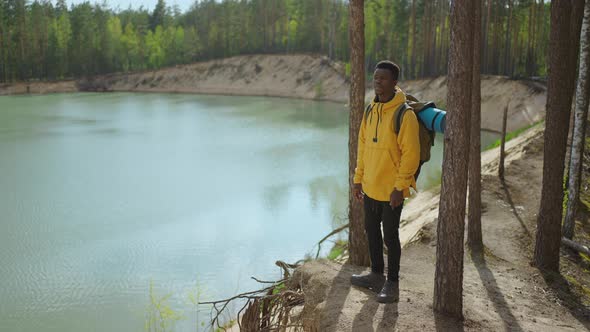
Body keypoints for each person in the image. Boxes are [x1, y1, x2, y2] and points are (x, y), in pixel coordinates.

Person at [350, 60, 421, 303]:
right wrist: (358, 179)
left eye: (383, 78)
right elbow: (362, 146)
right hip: (370, 186)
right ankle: (376, 275)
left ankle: (392, 283)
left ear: (394, 82)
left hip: (392, 190)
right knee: (371, 231)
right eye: (375, 77)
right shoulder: (370, 110)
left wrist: (400, 187)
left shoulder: (405, 115)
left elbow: (411, 155)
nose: (377, 81)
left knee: (390, 236)